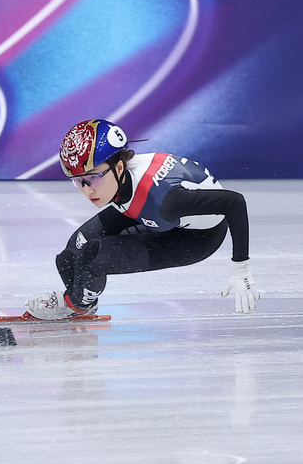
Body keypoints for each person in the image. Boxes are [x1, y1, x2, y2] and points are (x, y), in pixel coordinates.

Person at [25, 119, 258, 318]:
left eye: (93, 178)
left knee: (92, 256)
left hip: (196, 238)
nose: (87, 191)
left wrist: (241, 268)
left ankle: (75, 304)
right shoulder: (119, 176)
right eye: (78, 181)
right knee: (72, 252)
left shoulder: (167, 199)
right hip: (151, 212)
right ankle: (83, 299)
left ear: (118, 167)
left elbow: (234, 202)